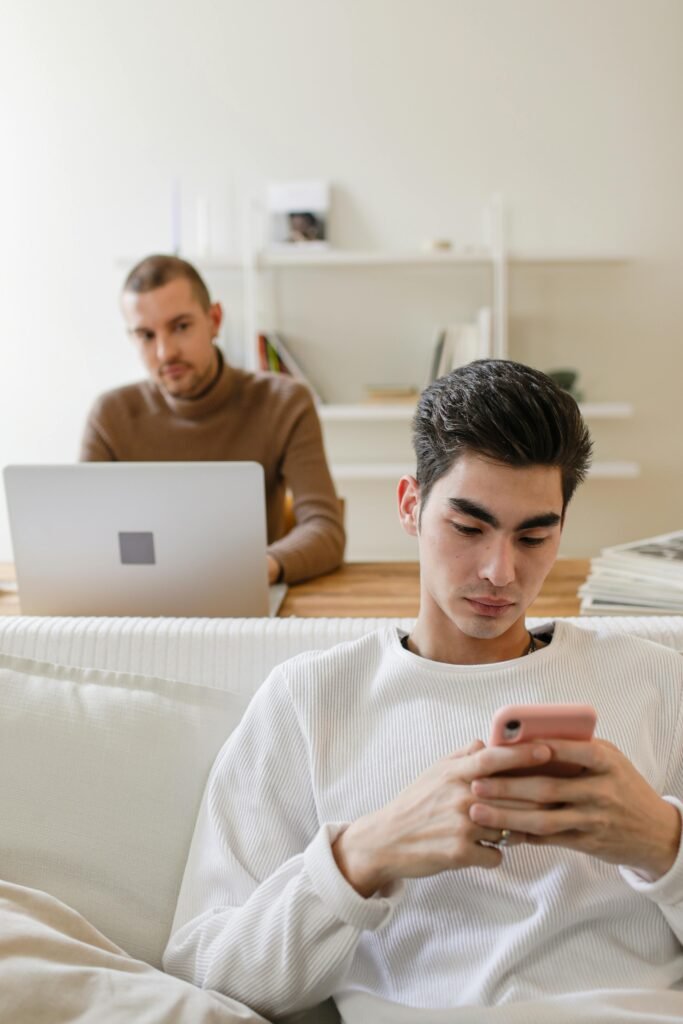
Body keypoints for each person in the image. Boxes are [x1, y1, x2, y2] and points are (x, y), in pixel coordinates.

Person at [163, 360, 683, 1023]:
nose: (500, 571)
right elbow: (207, 970)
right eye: (468, 528)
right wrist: (365, 854)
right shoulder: (310, 699)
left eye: (534, 536)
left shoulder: (656, 679)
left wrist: (662, 842)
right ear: (410, 505)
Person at [80, 255, 345, 585]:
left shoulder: (285, 403)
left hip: (245, 596)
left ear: (214, 320)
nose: (165, 352)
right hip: (137, 599)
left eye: (180, 327)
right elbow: (85, 537)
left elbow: (324, 528)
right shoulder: (109, 415)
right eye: (146, 335)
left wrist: (267, 566)